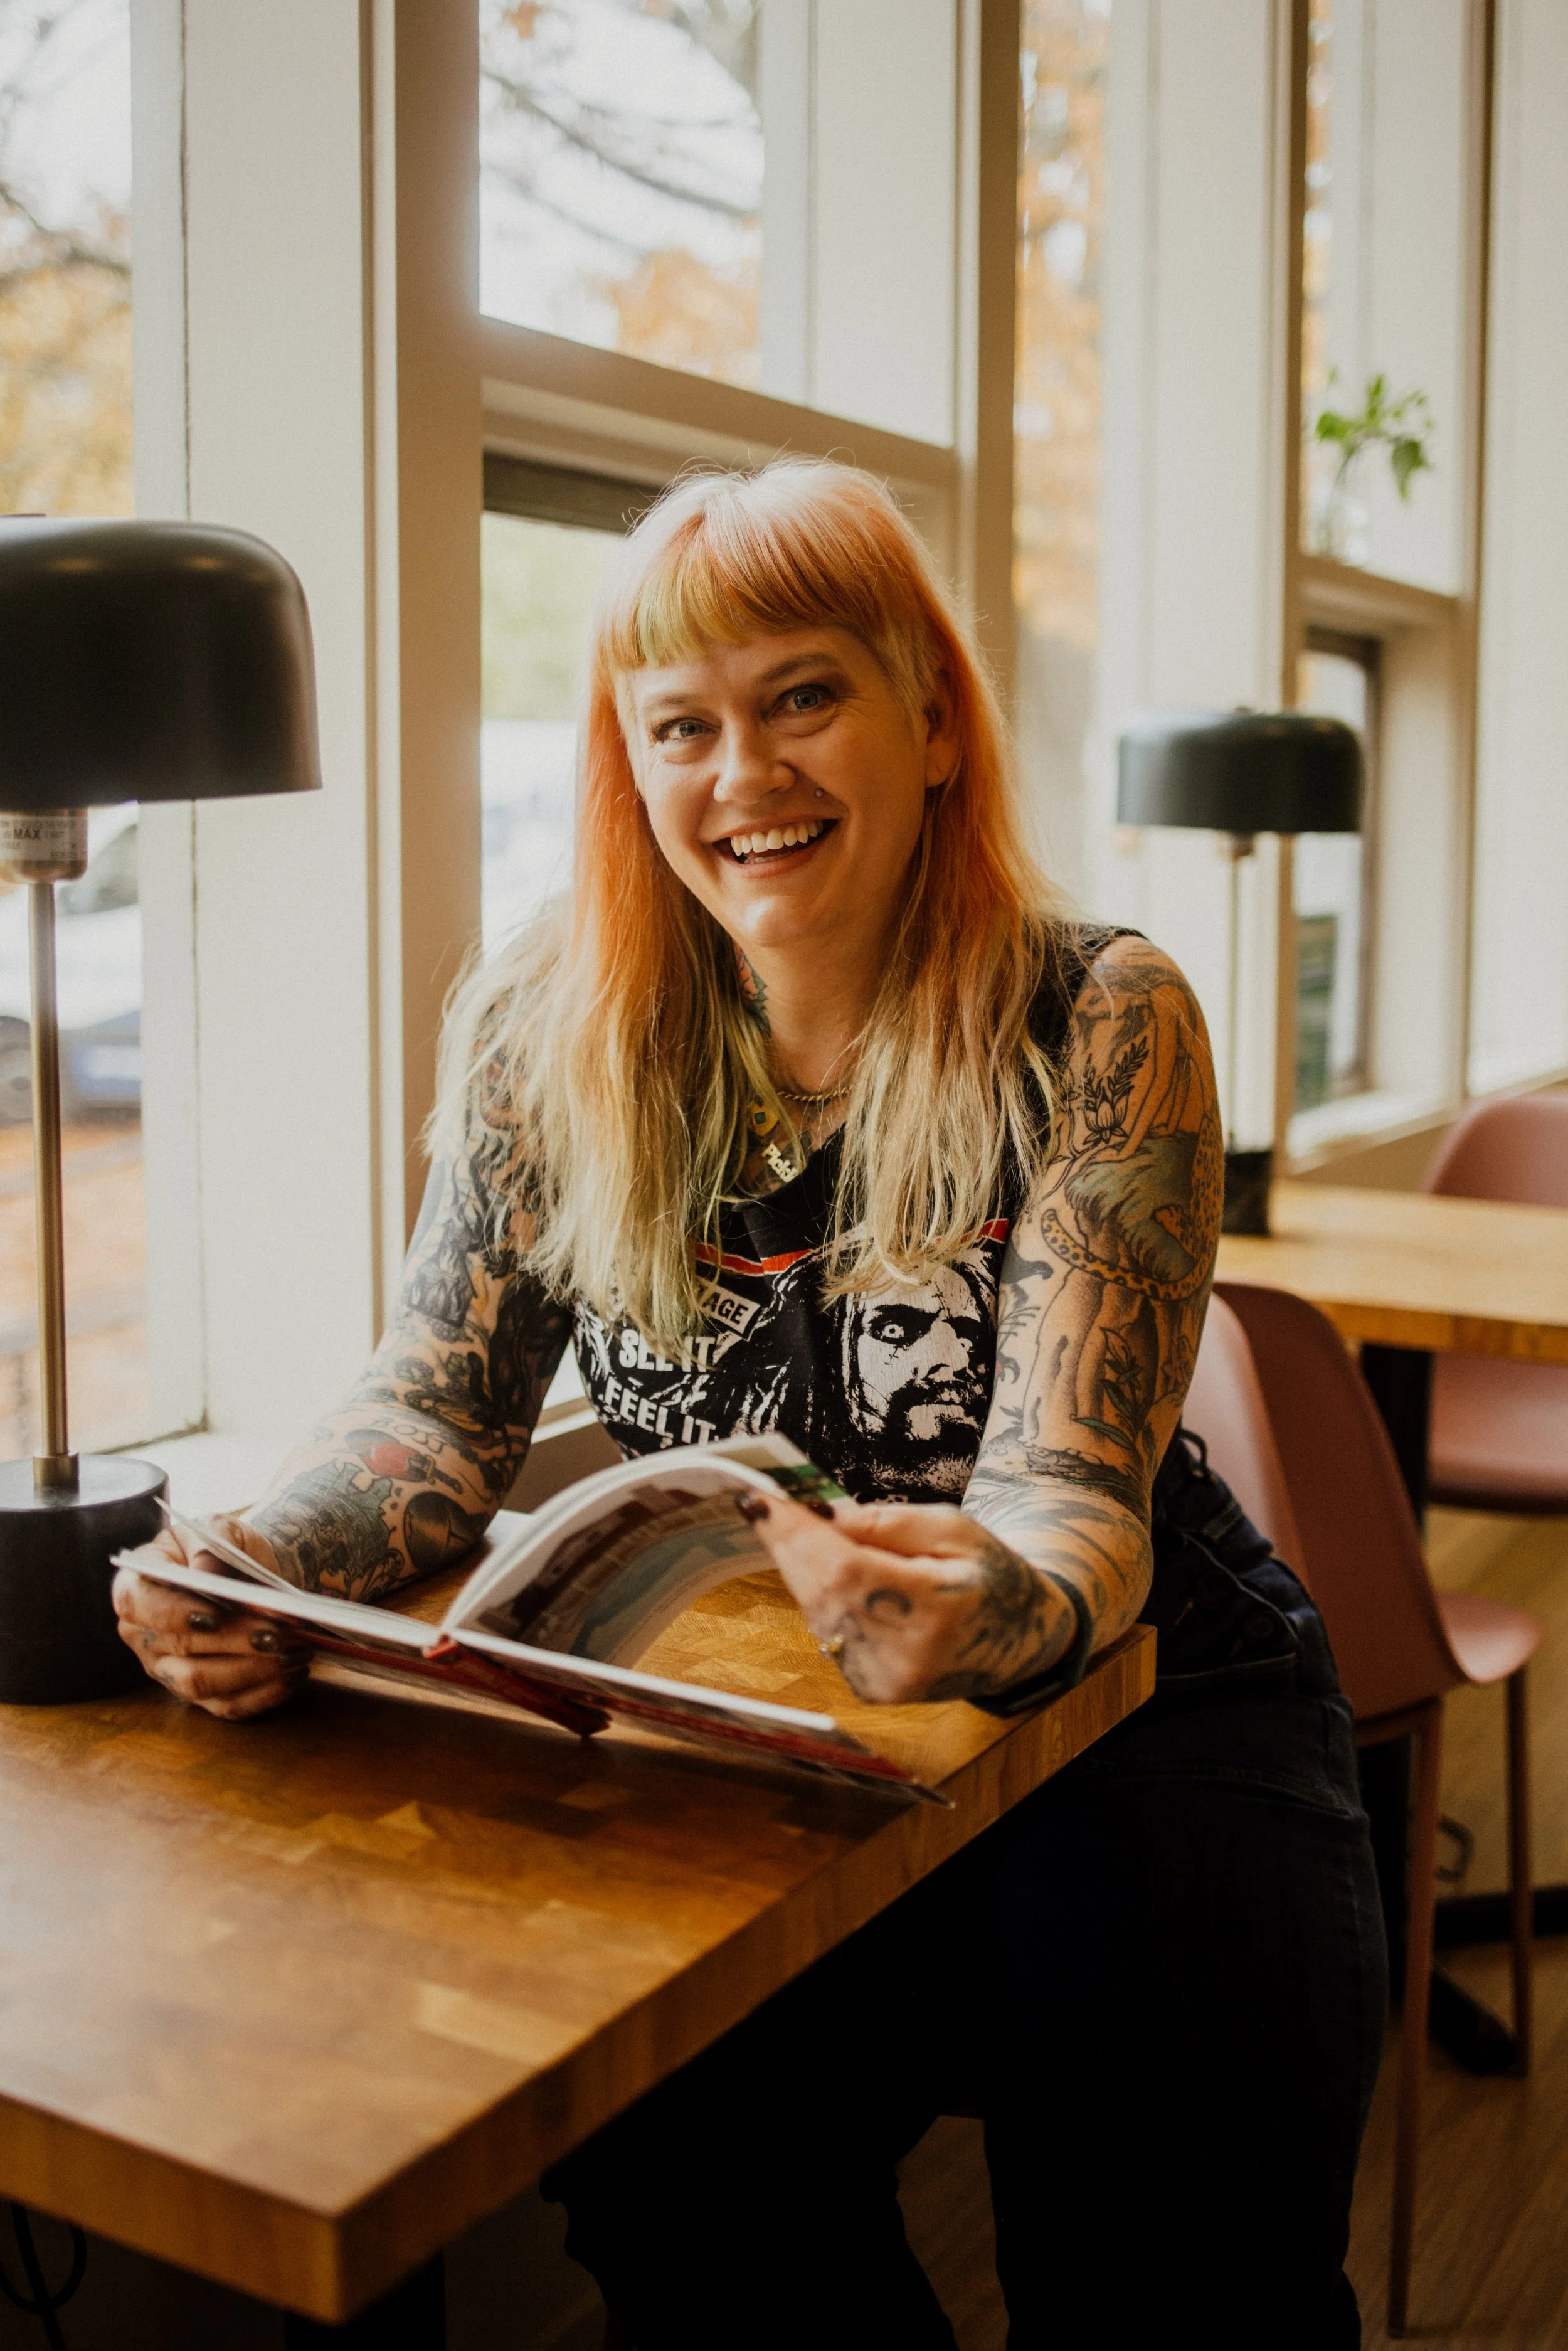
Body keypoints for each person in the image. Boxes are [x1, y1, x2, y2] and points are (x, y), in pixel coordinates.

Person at [115, 460, 1386, 2348]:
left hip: (1140, 1717)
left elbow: (1072, 1499)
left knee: (1179, 2269)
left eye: (804, 696)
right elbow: (434, 1404)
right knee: (679, 2193)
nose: (744, 776)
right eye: (681, 726)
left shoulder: (1097, 1012)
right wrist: (254, 1558)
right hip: (775, 1747)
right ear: (628, 766)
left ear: (931, 718)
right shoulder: (546, 1031)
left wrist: (990, 1590)